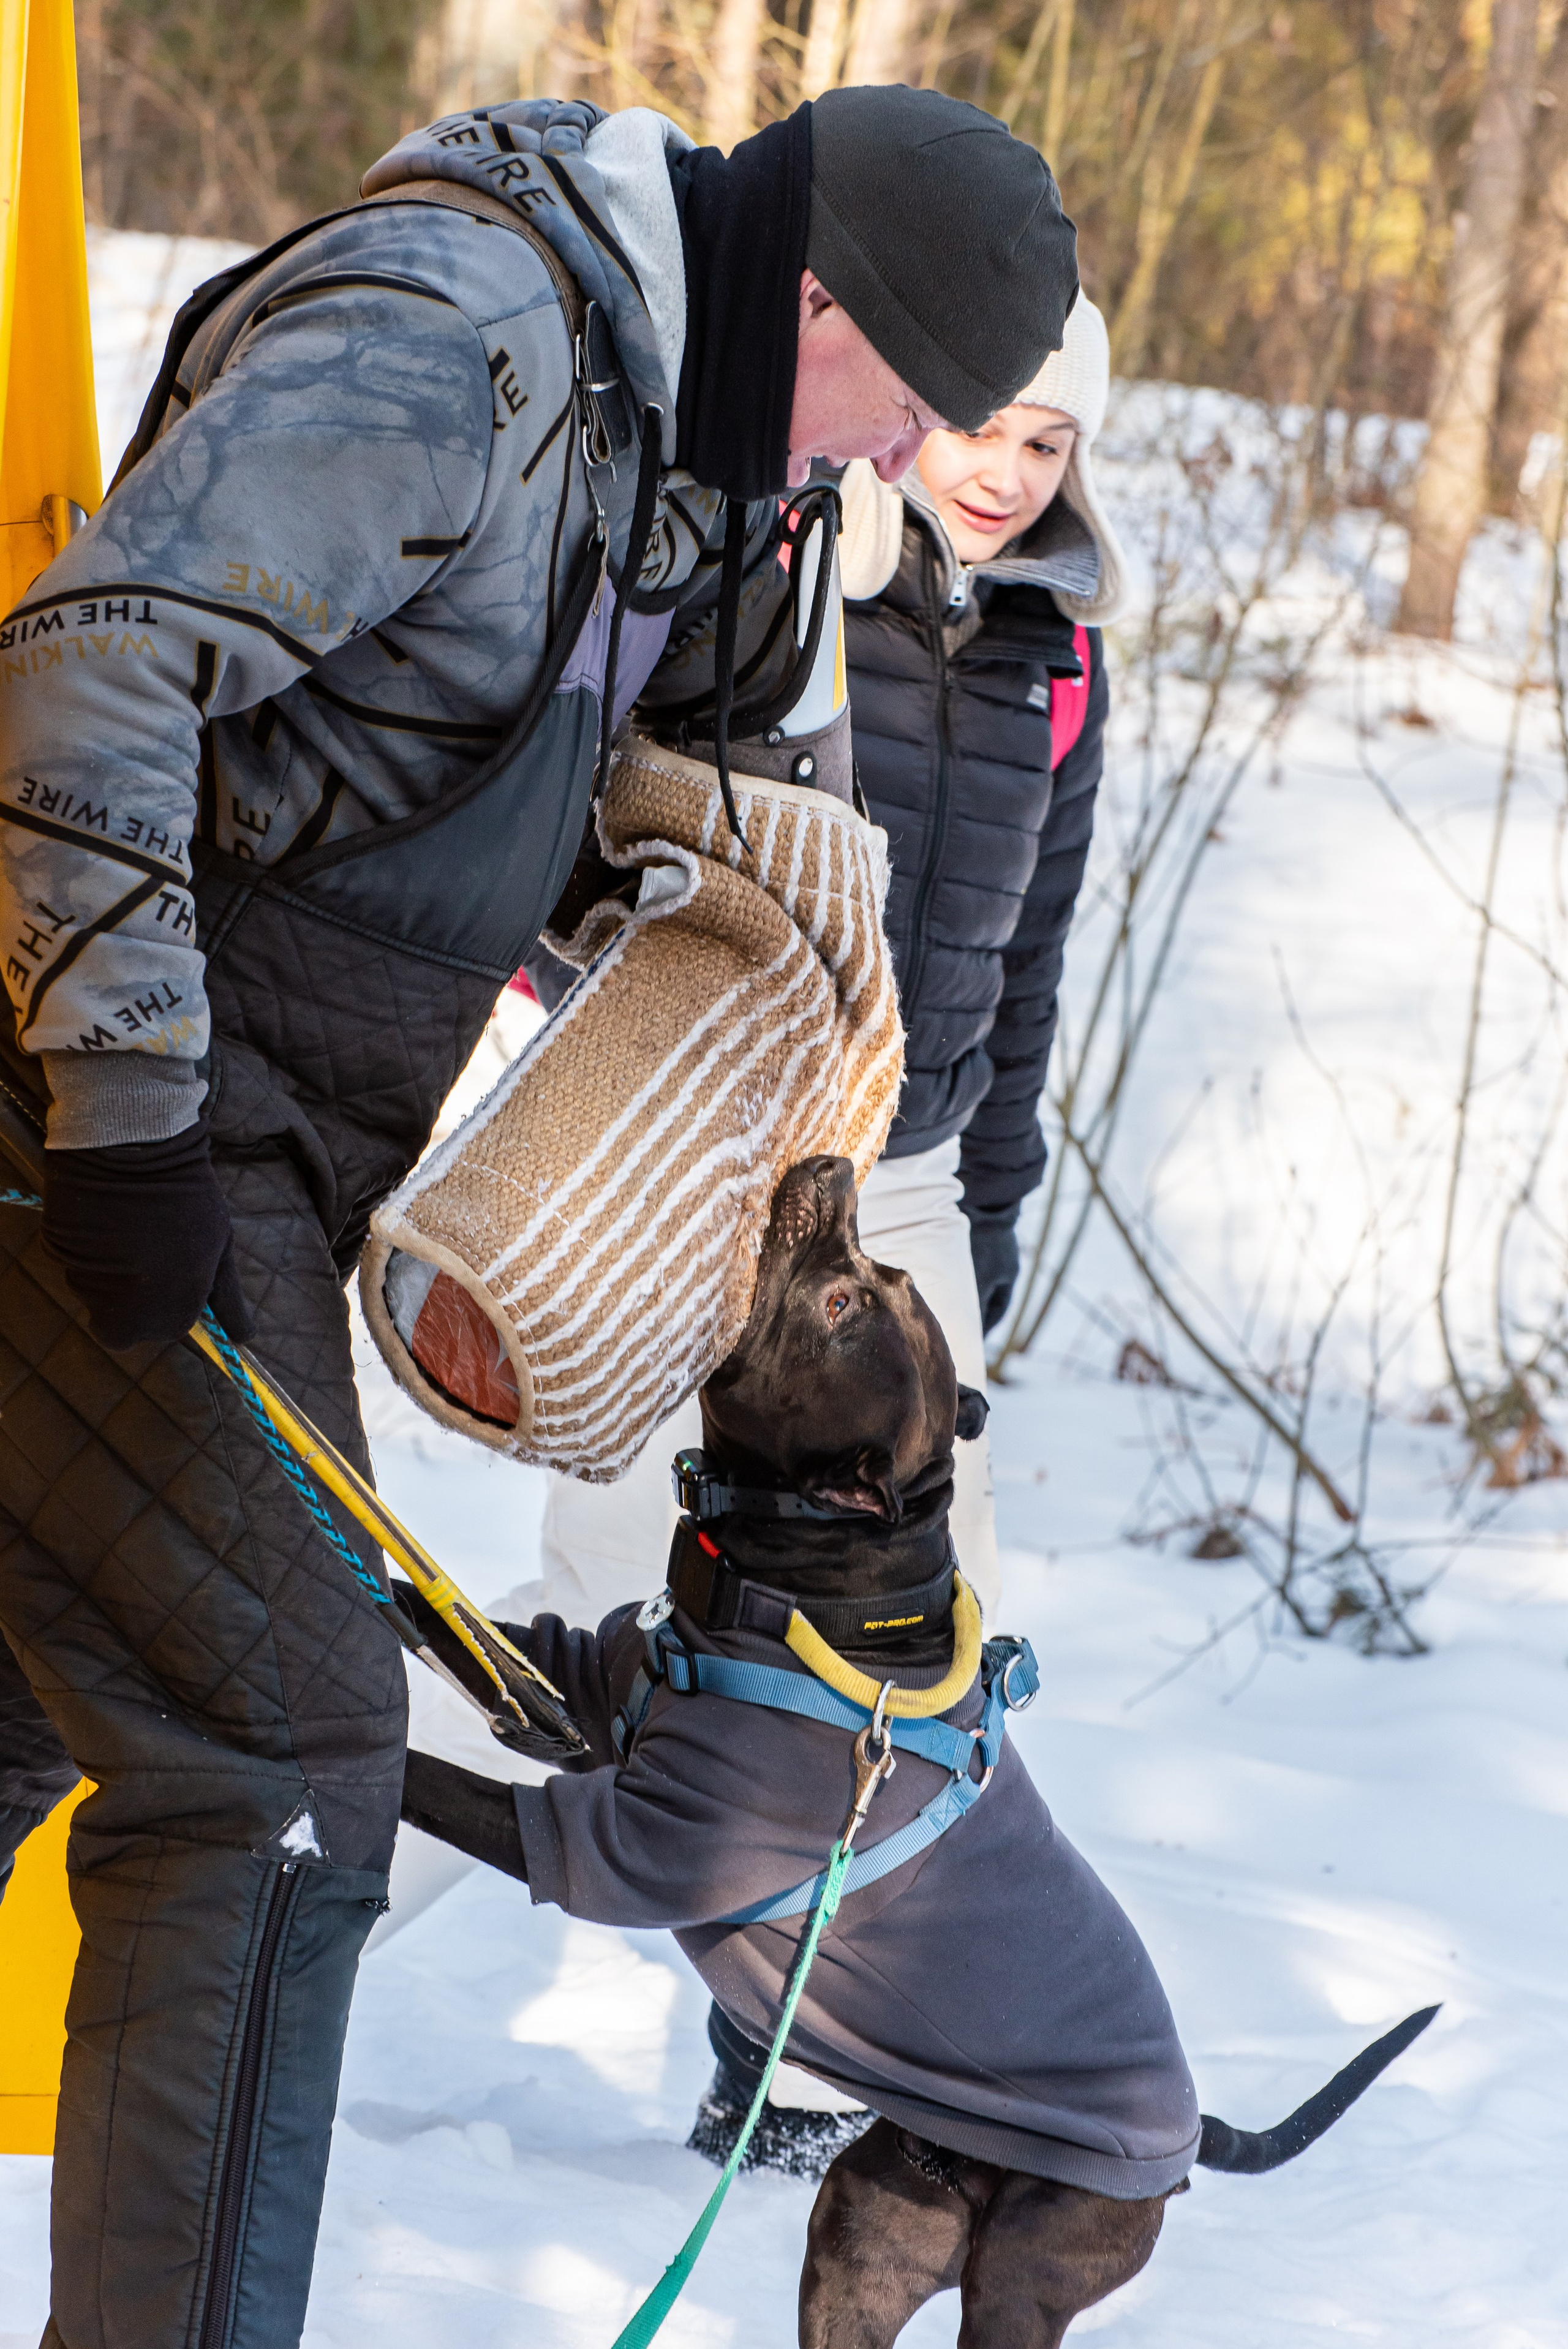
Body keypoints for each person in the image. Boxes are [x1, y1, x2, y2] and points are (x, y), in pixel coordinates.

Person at [0, 88, 1077, 2349]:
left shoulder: (709, 453)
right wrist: (124, 1111)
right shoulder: (453, 337)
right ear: (817, 299)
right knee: (279, 1775)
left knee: (40, 1687)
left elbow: (704, 794)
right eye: (909, 400)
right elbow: (93, 665)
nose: (911, 459)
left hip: (260, 1128)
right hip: (100, 1103)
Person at [527, 290, 1122, 1641]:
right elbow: (614, 821)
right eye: (980, 427)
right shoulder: (784, 569)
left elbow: (1026, 962)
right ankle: (433, 1765)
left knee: (940, 1597)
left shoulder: (1060, 658)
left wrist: (991, 1210)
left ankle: (866, 1806)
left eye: (1048, 446)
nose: (1008, 475)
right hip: (706, 1157)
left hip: (905, 1181)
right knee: (620, 1586)